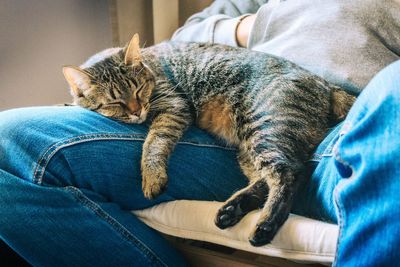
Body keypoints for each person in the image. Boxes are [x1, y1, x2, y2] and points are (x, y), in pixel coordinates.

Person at [0, 0, 399, 266]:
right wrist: (254, 25)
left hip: (353, 135)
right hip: (210, 126)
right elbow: (183, 36)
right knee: (7, 138)